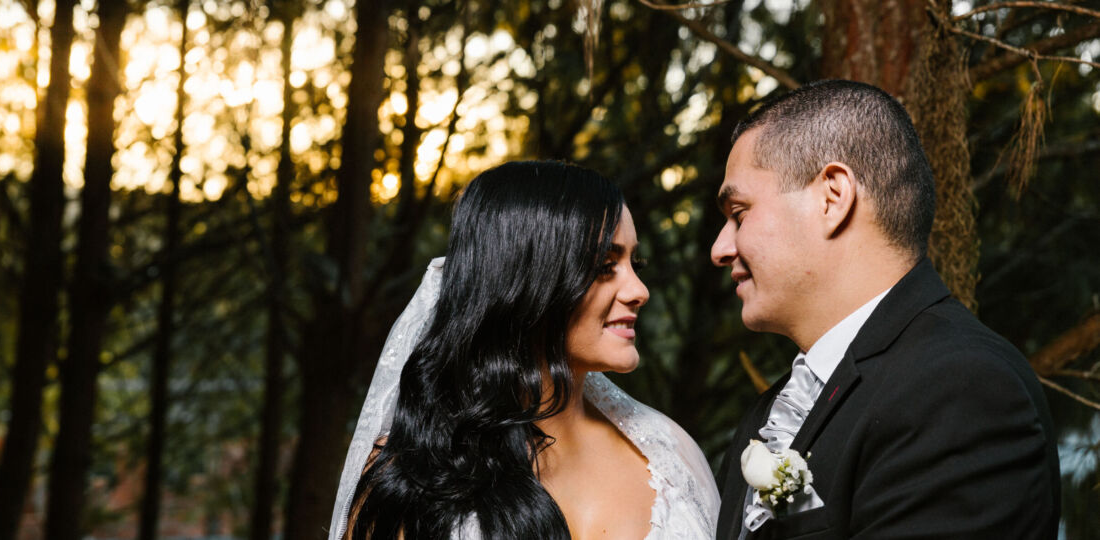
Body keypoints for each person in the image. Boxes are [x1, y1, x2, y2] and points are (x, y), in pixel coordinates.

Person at [710, 79, 1060, 539]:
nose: (720, 248)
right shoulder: (770, 413)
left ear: (833, 198)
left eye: (739, 213)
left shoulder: (961, 389)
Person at [328, 161, 720, 540]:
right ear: (527, 281)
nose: (639, 291)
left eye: (636, 262)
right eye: (605, 266)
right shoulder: (409, 476)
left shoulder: (670, 455)